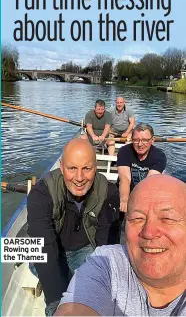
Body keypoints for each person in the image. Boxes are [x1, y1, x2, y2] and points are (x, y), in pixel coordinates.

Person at [54, 175, 186, 316]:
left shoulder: (107, 191)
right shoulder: (106, 261)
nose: (149, 232)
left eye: (167, 218)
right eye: (137, 218)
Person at [27, 138, 120, 316]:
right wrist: (56, 306)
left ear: (96, 167)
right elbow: (44, 247)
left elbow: (105, 250)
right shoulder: (40, 194)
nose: (79, 178)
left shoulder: (109, 193)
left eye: (86, 168)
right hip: (51, 248)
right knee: (29, 257)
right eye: (72, 168)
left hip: (85, 250)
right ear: (61, 167)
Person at [117, 123, 166, 212]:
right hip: (125, 192)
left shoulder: (159, 156)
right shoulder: (124, 151)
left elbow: (149, 183)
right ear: (131, 139)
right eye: (136, 140)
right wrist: (124, 200)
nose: (140, 144)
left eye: (145, 140)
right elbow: (125, 179)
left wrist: (136, 204)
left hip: (147, 193)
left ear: (152, 140)